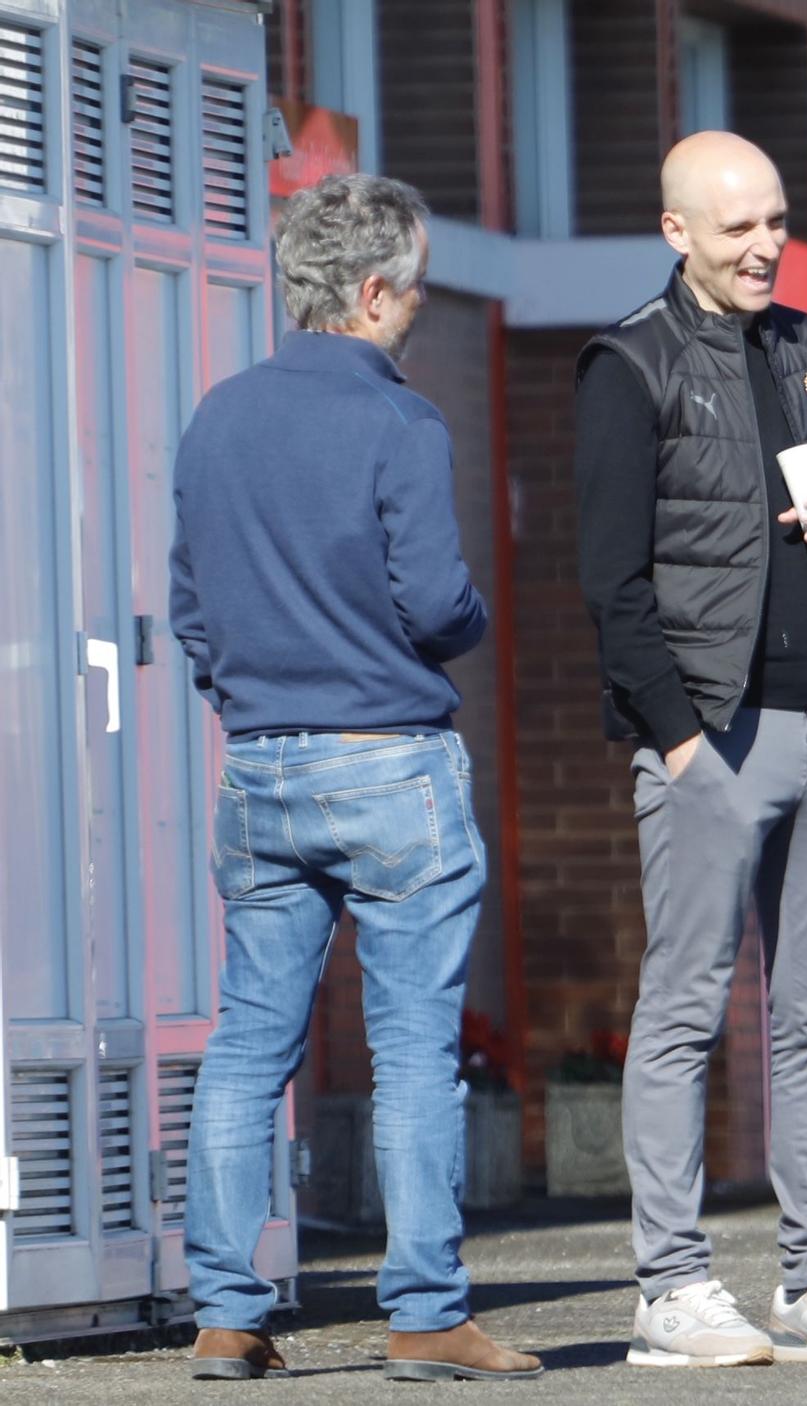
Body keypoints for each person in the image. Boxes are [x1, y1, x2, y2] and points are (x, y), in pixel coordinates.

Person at [170, 173, 541, 1383]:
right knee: (415, 1049)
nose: (421, 309)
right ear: (373, 291)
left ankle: (227, 1312)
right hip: (391, 766)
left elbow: (191, 611)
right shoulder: (402, 424)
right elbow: (436, 601)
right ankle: (426, 1312)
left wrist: (254, 703)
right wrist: (471, 618)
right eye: (417, 289)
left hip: (261, 767)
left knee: (246, 1046)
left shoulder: (217, 416)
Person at [573, 130, 807, 1368]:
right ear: (677, 232)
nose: (765, 244)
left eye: (776, 219)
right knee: (683, 1006)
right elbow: (612, 587)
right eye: (736, 227)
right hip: (713, 737)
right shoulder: (628, 365)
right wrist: (675, 742)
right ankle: (670, 1287)